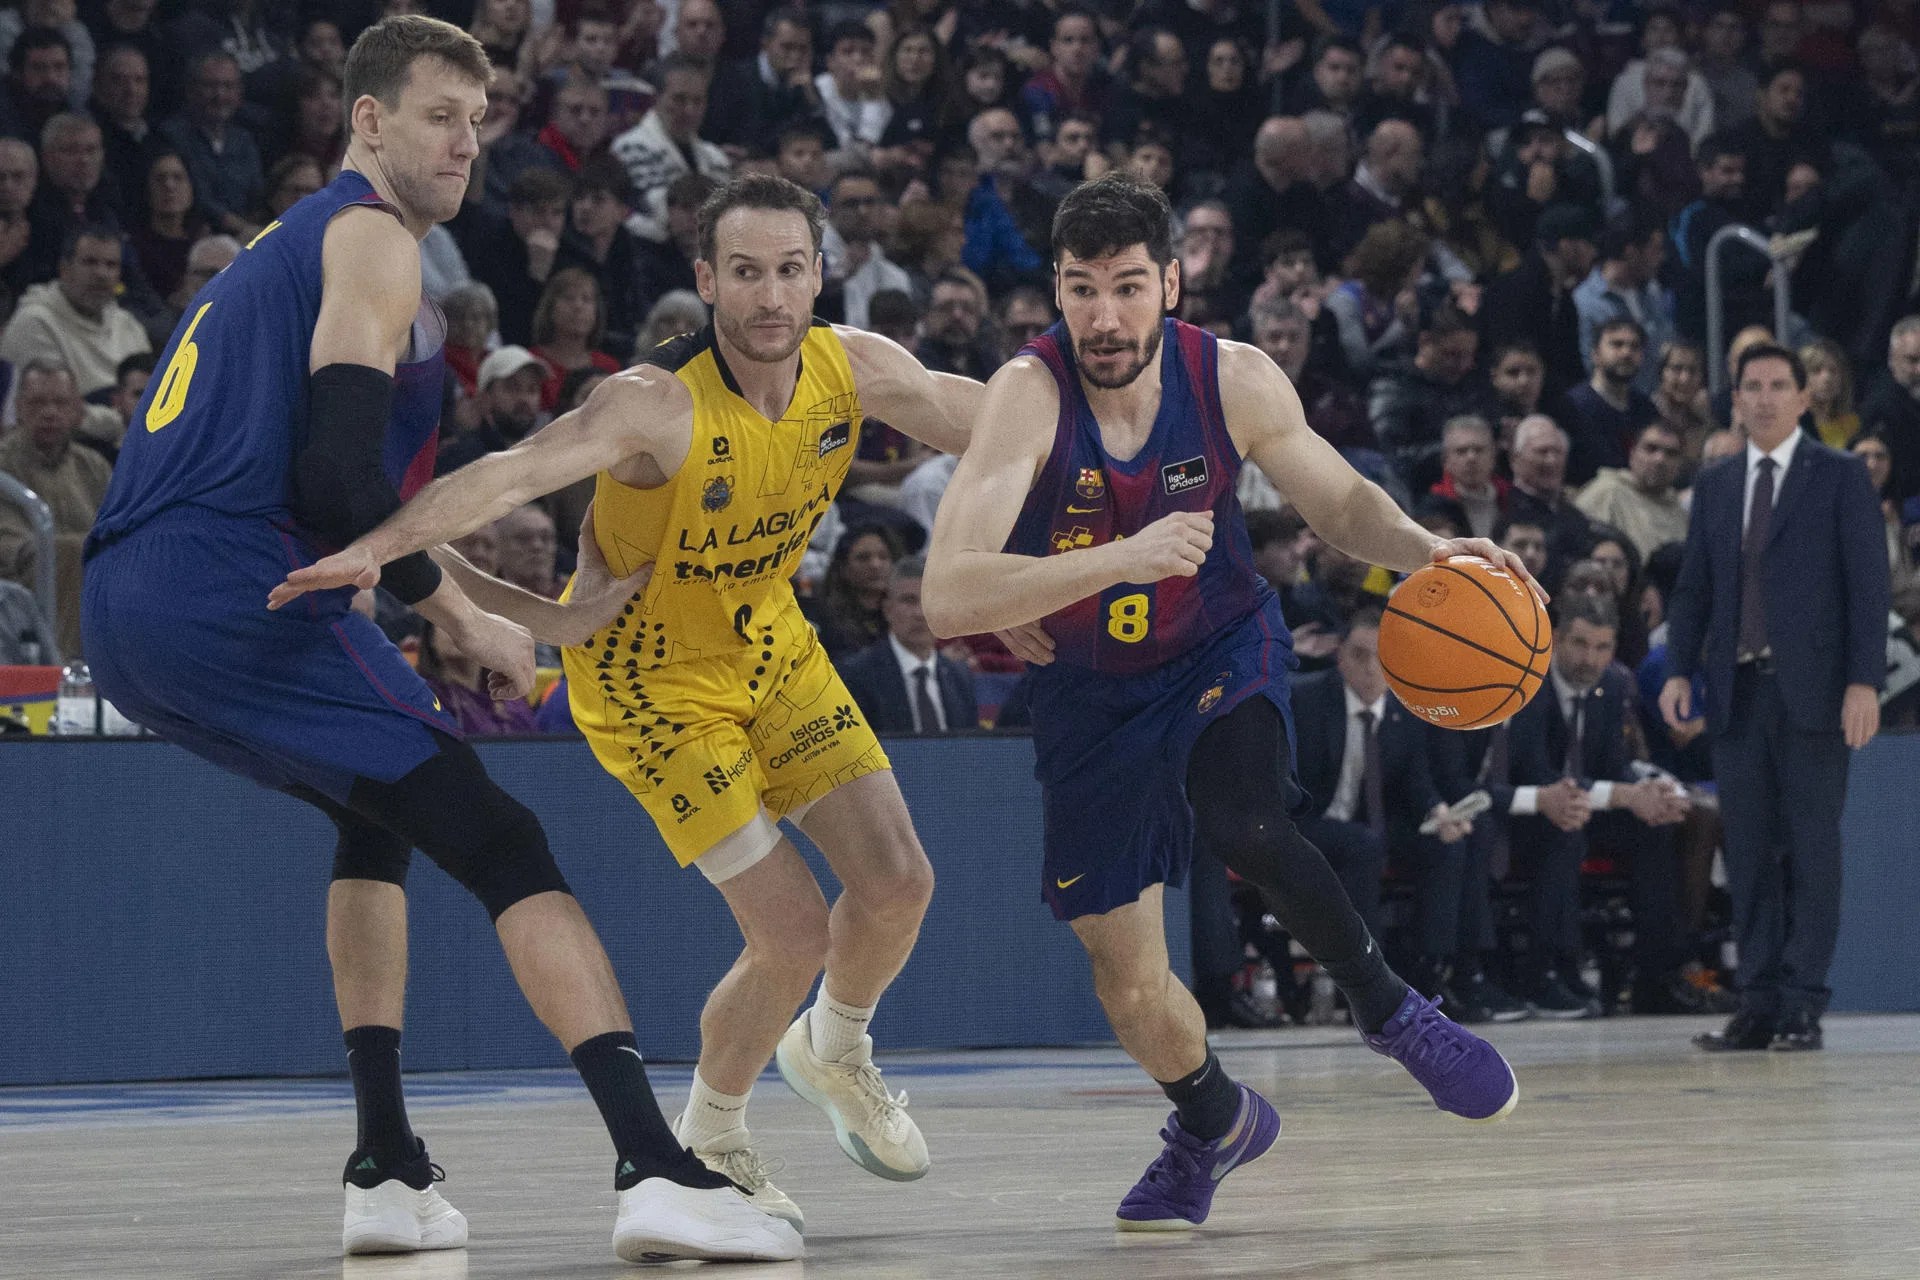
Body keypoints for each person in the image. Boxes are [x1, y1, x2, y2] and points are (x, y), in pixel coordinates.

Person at [77, 17, 797, 1264]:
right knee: (503, 840)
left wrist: (534, 617)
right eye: (438, 116)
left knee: (377, 818)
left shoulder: (290, 248)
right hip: (227, 587)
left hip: (131, 605)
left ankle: (386, 1168)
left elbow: (362, 513)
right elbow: (341, 481)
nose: (467, 141)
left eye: (479, 117)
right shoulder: (371, 239)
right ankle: (653, 1166)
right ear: (367, 121)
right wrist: (455, 616)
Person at [270, 173, 985, 1233]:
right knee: (792, 933)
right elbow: (507, 475)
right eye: (745, 271)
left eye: (790, 269)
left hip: (769, 640)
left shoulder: (856, 367)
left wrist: (1143, 440)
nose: (770, 295)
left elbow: (1008, 425)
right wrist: (374, 546)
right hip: (649, 681)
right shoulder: (654, 402)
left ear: (819, 274)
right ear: (707, 279)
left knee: (899, 882)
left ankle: (833, 1044)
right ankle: (712, 1134)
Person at [920, 174, 1525, 1233]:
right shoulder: (1027, 393)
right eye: (1080, 289)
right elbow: (945, 595)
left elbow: (1337, 499)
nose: (1104, 316)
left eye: (1125, 287)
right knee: (1128, 984)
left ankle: (1390, 1009)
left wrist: (1426, 549)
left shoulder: (1231, 375)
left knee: (1244, 816)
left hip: (1216, 642)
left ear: (1170, 282)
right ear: (1055, 291)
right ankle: (1212, 1119)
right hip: (1089, 694)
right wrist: (1116, 559)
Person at [1662, 342, 1890, 1053]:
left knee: (1814, 851)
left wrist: (1865, 681)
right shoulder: (1717, 482)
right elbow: (1695, 586)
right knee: (1750, 852)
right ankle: (1757, 1002)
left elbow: (1869, 585)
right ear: (1735, 400)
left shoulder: (1841, 475)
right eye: (1752, 386)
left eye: (1777, 385)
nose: (1764, 397)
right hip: (1737, 692)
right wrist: (1678, 670)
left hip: (1816, 693)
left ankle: (1802, 1004)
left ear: (1803, 397)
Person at [838, 552, 979, 734]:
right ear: (888, 609)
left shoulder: (960, 677)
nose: (920, 613)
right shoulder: (856, 675)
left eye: (929, 600)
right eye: (909, 601)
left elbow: (971, 746)